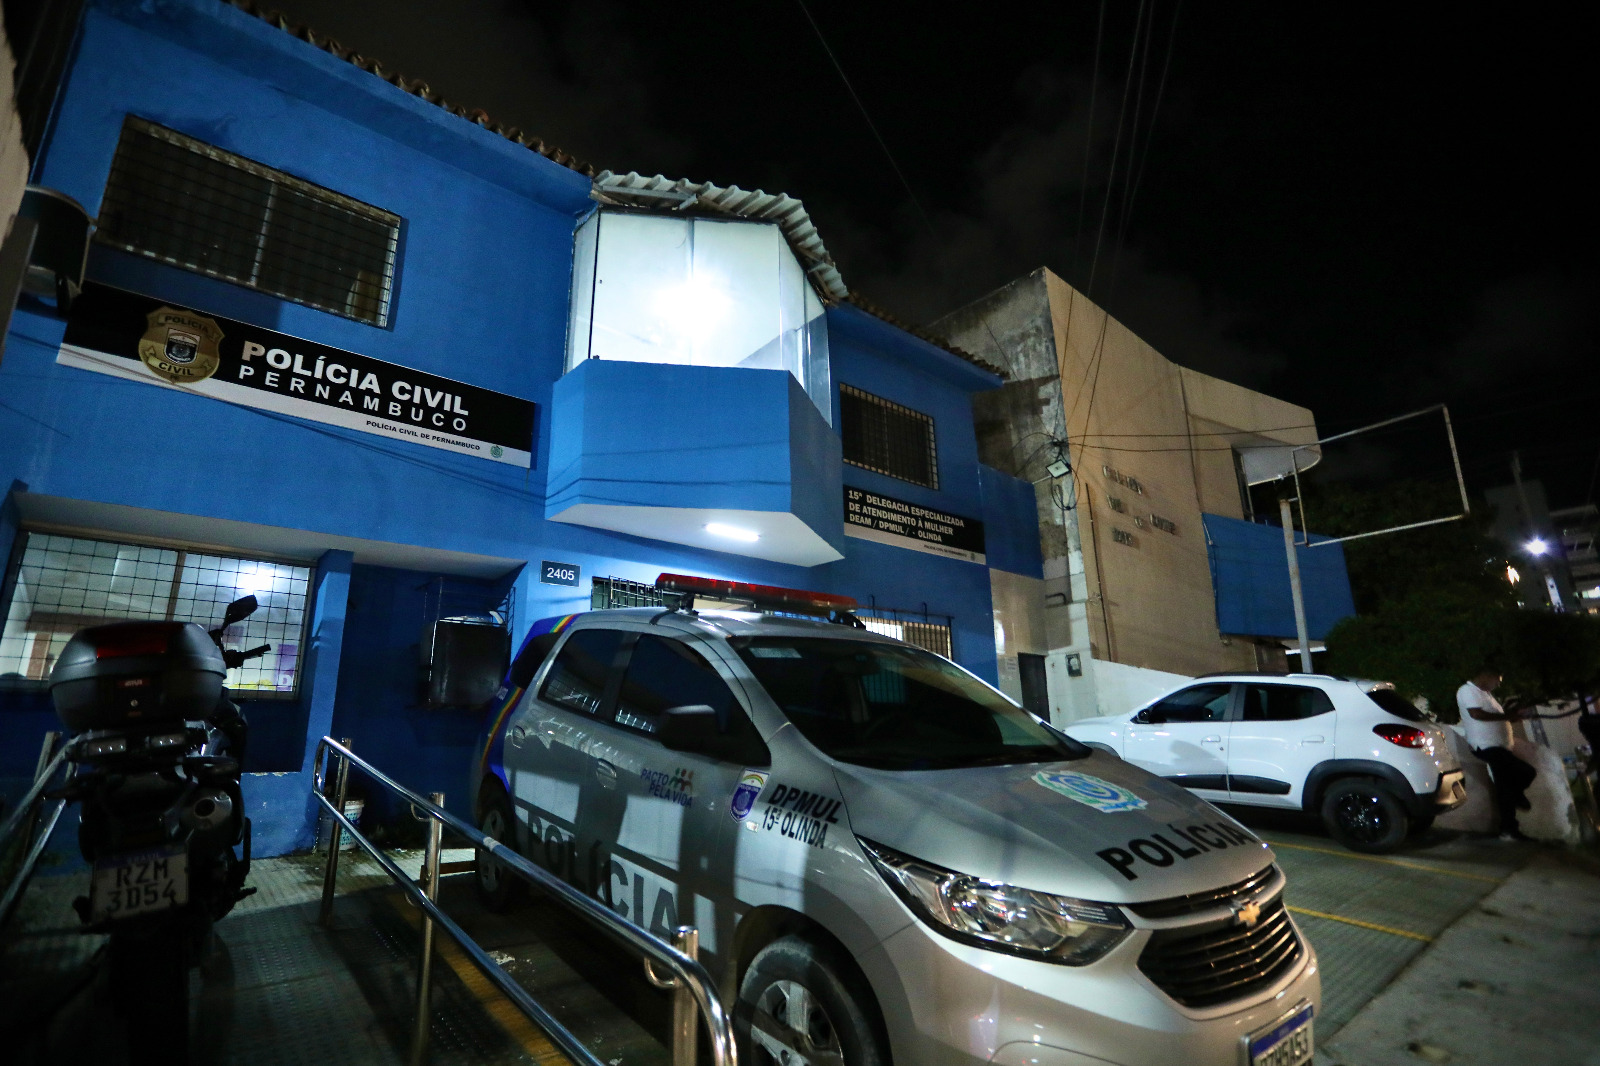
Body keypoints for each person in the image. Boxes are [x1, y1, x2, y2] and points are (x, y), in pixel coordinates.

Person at [1456, 668, 1537, 842]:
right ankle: (1515, 803)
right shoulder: (1467, 691)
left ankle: (1509, 829)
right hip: (1486, 746)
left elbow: (1494, 717)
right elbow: (1476, 714)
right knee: (1526, 772)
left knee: (1505, 787)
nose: (1498, 684)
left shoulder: (1486, 695)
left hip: (1499, 747)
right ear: (1487, 675)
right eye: (1497, 680)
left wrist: (1511, 716)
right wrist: (1506, 716)